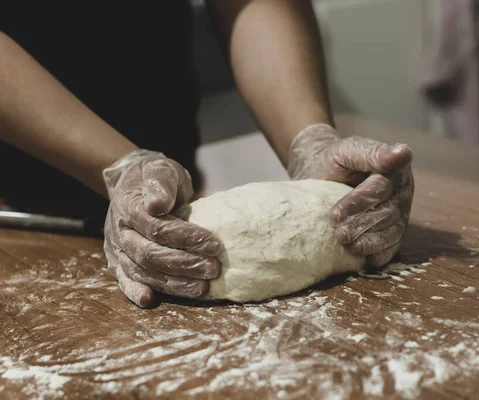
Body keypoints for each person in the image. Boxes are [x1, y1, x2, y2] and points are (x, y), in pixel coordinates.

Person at [0, 1, 414, 307]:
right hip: (17, 194)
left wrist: (309, 140)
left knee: (177, 232)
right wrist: (120, 166)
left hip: (168, 173)